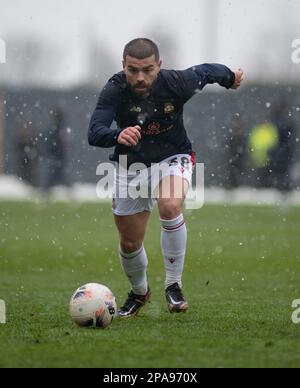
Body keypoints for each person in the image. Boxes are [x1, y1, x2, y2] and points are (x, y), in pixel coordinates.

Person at [88, 38, 243, 317]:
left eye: (147, 70)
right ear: (123, 66)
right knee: (130, 243)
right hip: (130, 166)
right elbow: (94, 131)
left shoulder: (176, 83)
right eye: (132, 70)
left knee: (170, 205)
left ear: (159, 66)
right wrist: (116, 135)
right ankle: (139, 292)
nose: (140, 77)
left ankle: (174, 285)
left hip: (173, 158)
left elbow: (207, 71)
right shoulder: (115, 87)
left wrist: (230, 78)